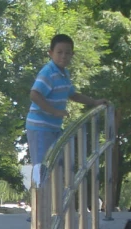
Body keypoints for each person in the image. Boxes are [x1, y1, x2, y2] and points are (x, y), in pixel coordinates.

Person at [26, 34, 108, 169]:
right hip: (39, 127)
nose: (63, 56)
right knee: (42, 167)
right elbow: (34, 94)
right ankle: (40, 190)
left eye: (67, 53)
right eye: (59, 52)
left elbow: (73, 94)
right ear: (51, 53)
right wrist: (54, 111)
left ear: (72, 55)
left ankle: (53, 190)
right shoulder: (48, 72)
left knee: (56, 164)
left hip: (54, 127)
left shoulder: (64, 74)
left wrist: (94, 102)